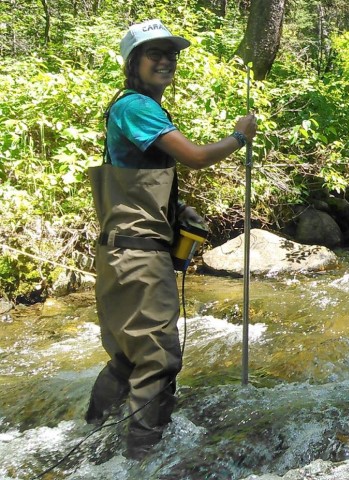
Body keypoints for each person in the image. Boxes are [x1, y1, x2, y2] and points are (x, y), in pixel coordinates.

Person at [85, 19, 257, 460]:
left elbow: (136, 177)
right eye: (153, 53)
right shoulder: (137, 107)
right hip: (138, 255)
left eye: (170, 53)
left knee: (129, 355)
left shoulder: (130, 106)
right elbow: (196, 158)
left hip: (123, 250)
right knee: (158, 359)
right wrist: (240, 135)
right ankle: (143, 459)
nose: (165, 60)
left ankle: (89, 432)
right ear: (133, 63)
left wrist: (176, 212)